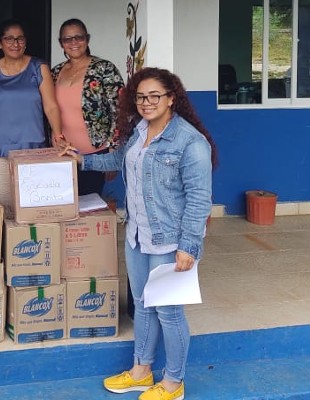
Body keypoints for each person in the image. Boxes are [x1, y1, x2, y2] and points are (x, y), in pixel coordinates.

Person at [61, 67, 217, 400]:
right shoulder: (139, 130)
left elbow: (200, 198)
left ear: (172, 98)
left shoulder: (190, 142)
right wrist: (82, 162)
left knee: (169, 311)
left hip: (171, 239)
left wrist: (189, 247)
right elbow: (119, 159)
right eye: (141, 96)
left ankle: (174, 383)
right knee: (144, 306)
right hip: (137, 234)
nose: (146, 102)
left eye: (155, 96)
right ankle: (141, 372)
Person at [0, 18, 63, 217]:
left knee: (30, 205)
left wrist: (58, 136)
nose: (15, 43)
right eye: (9, 39)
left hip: (31, 147)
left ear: (25, 42)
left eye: (19, 39)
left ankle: (29, 246)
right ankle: (8, 247)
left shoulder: (38, 67)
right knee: (4, 207)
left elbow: (51, 106)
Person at [51, 18, 124, 198]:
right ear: (61, 44)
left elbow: (120, 110)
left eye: (79, 37)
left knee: (88, 209)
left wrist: (113, 152)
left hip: (95, 155)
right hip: (61, 152)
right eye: (68, 39)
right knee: (63, 205)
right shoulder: (55, 72)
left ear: (87, 39)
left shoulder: (104, 69)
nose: (74, 42)